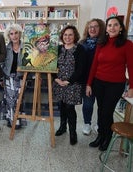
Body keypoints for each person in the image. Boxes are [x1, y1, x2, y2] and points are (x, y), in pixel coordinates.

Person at [86, 16, 133, 151]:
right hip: (98, 82)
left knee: (107, 112)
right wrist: (89, 84)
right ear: (106, 29)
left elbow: (131, 66)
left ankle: (107, 136)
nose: (112, 28)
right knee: (100, 111)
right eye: (109, 25)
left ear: (121, 28)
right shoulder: (101, 43)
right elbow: (94, 65)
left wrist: (132, 87)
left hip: (115, 85)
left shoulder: (127, 44)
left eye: (115, 25)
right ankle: (101, 136)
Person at [53, 25, 85, 145]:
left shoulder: (79, 49)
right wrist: (56, 79)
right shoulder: (58, 49)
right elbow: (51, 65)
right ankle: (62, 127)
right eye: (65, 35)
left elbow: (81, 69)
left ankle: (73, 132)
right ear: (62, 36)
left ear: (75, 36)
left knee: (70, 108)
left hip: (72, 84)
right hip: (58, 83)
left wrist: (69, 81)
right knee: (61, 106)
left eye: (70, 34)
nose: (67, 37)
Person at [79, 18, 105, 135]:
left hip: (100, 78)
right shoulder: (82, 43)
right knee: (88, 103)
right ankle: (87, 123)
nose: (93, 29)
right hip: (86, 79)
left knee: (102, 104)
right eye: (90, 27)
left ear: (101, 29)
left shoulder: (105, 44)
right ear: (87, 29)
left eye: (96, 27)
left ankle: (100, 123)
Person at [1, 24, 24, 129]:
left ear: (20, 34)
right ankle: (11, 121)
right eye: (11, 34)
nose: (14, 36)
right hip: (9, 78)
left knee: (19, 101)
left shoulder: (26, 47)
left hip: (21, 78)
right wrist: (2, 78)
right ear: (9, 36)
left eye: (16, 33)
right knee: (10, 101)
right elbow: (2, 64)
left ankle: (18, 122)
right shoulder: (6, 48)